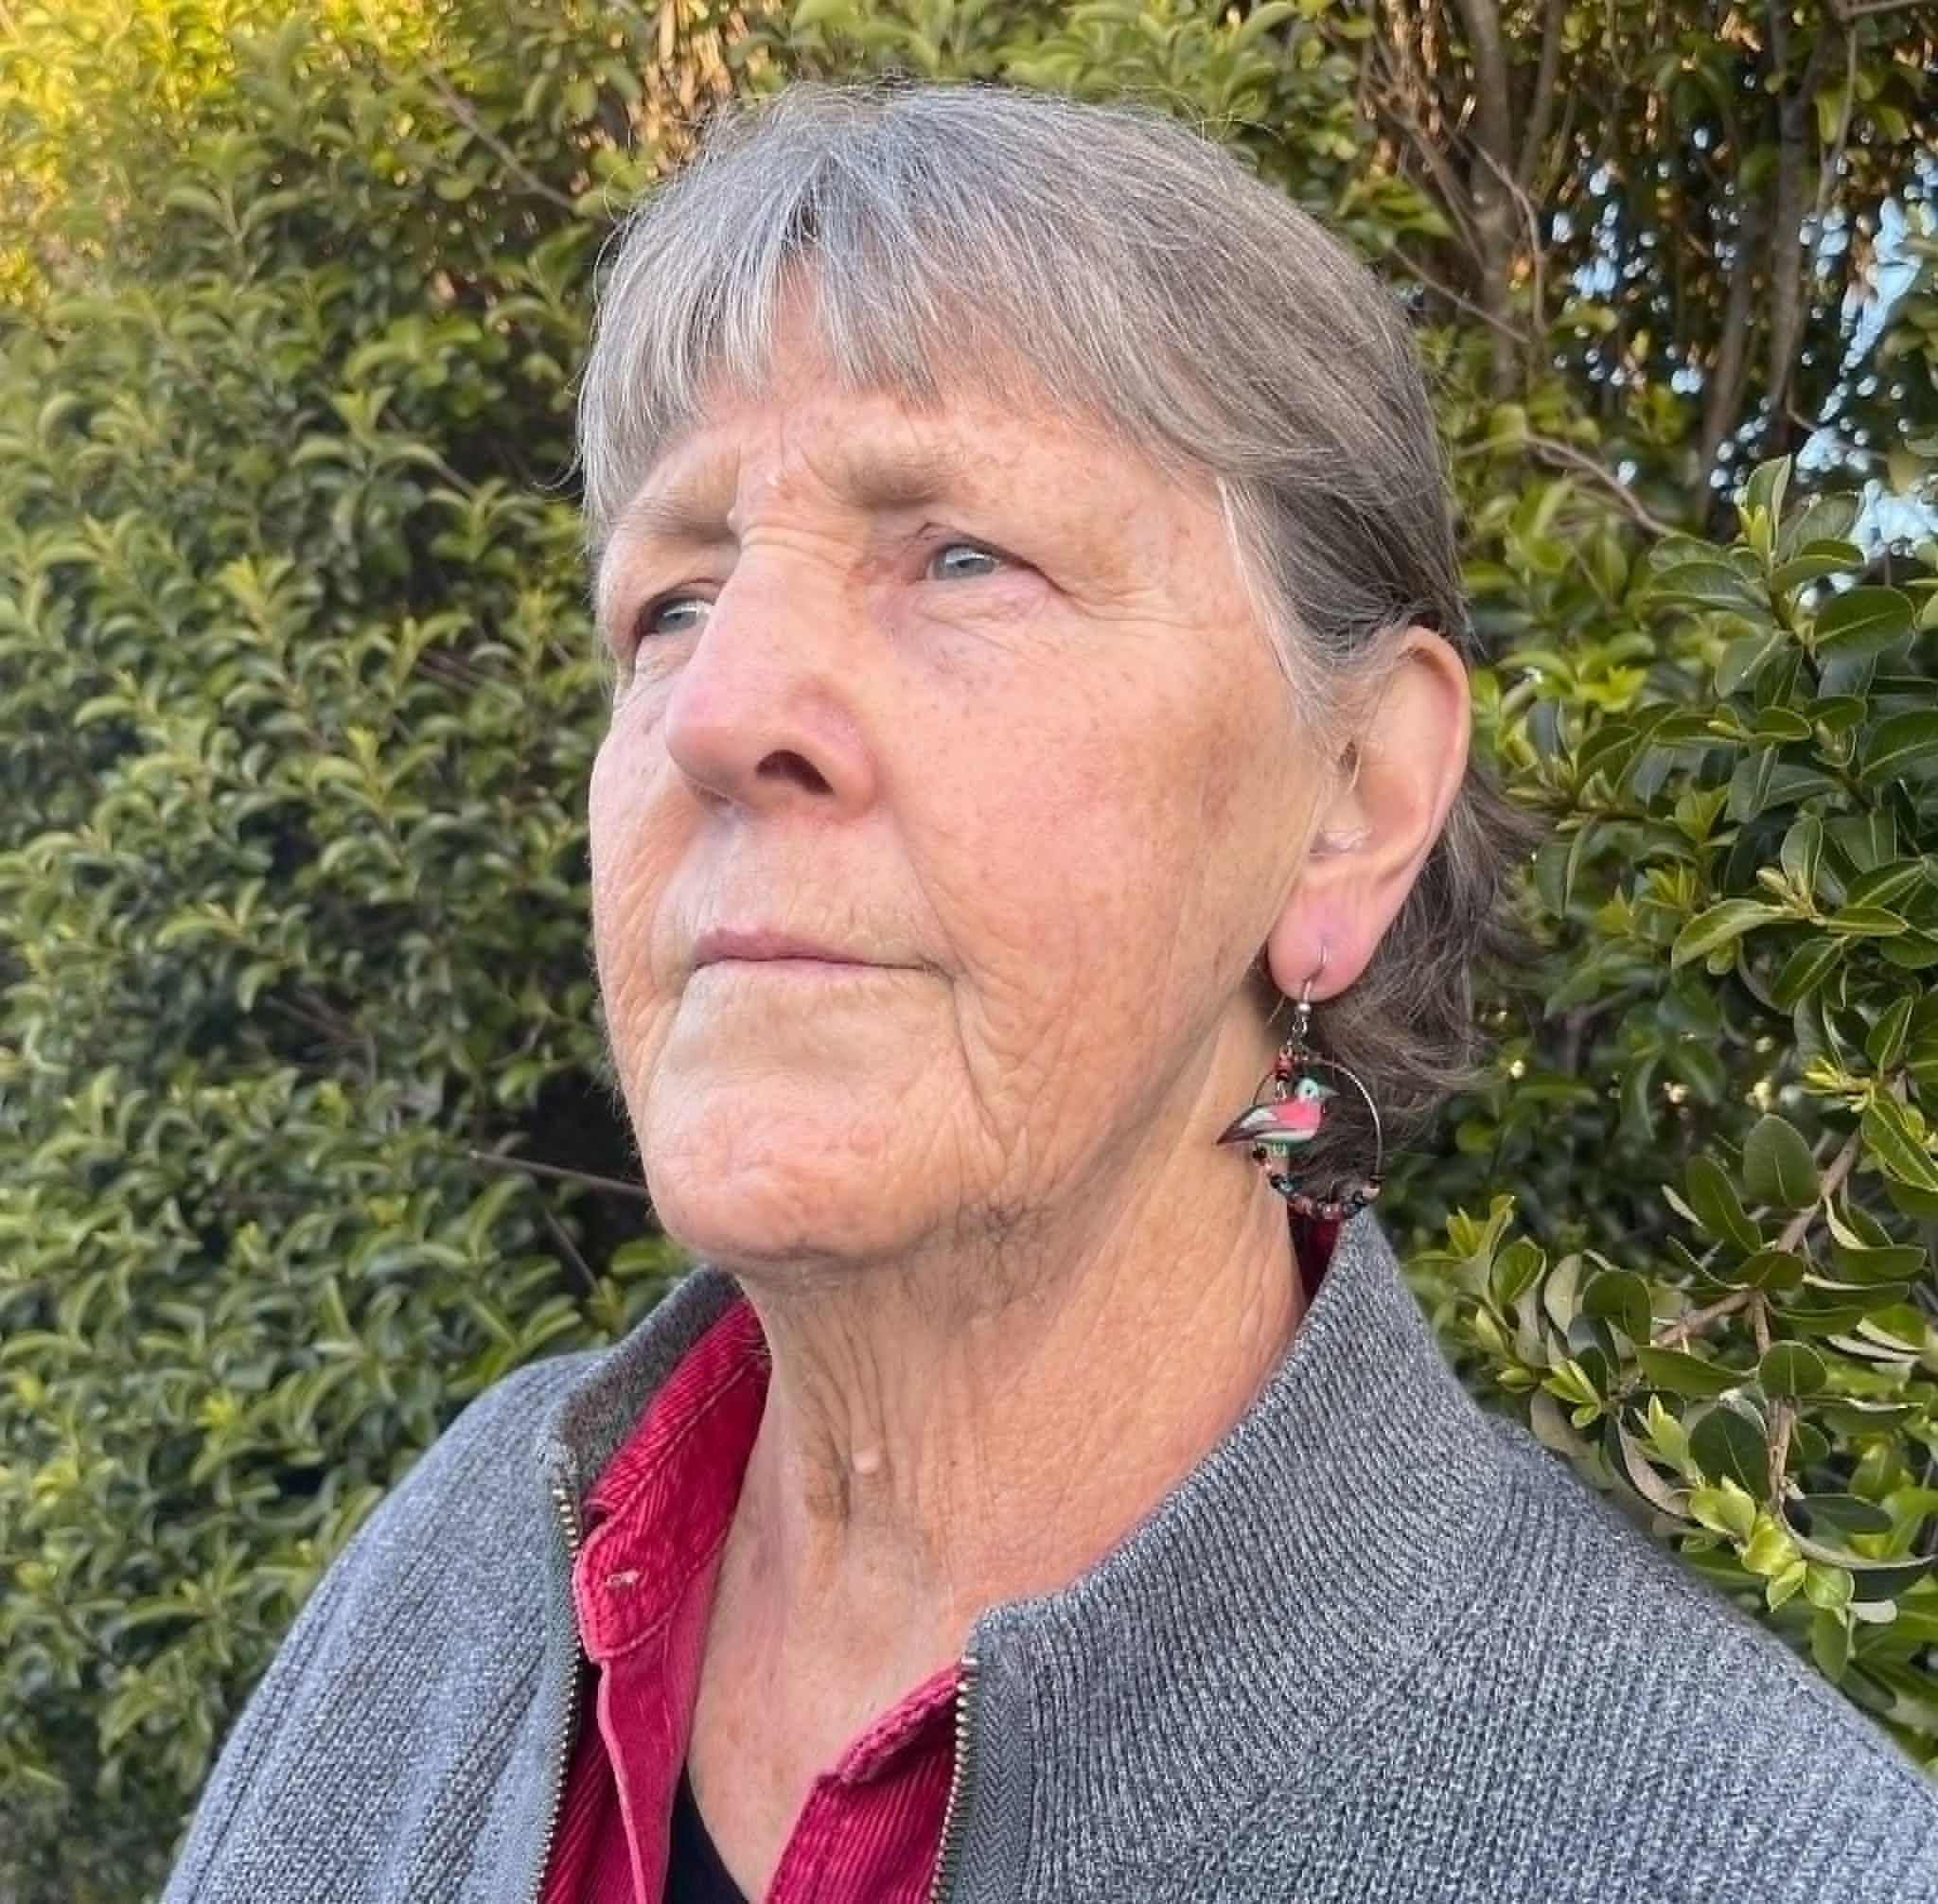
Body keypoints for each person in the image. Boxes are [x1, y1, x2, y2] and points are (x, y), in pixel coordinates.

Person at [164, 81, 1938, 1904]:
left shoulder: (1763, 1859)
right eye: (672, 602)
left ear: (1353, 798)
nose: (718, 711)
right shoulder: (464, 1552)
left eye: (962, 558)